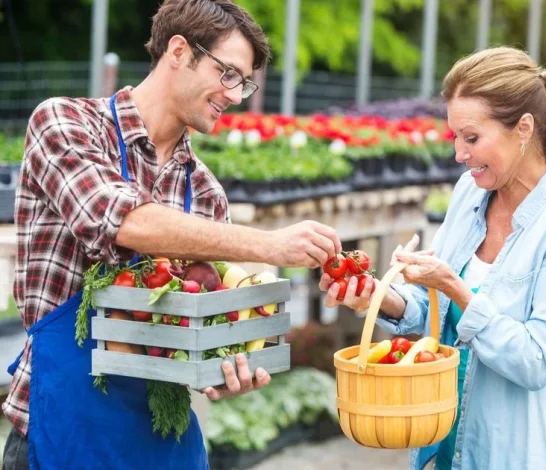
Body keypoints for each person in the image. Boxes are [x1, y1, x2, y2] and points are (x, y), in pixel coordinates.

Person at [2, 1, 342, 469]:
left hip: (161, 434)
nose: (236, 95)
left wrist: (222, 366)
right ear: (179, 51)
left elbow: (194, 333)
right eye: (229, 75)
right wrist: (269, 244)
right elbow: (125, 221)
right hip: (60, 426)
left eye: (244, 83)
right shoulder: (65, 124)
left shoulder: (203, 191)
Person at [321, 46, 546, 470]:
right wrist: (380, 295)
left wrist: (454, 285)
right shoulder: (470, 193)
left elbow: (535, 362)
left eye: (472, 138)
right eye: (455, 136)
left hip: (528, 452)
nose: (459, 153)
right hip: (451, 443)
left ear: (523, 128)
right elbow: (439, 313)